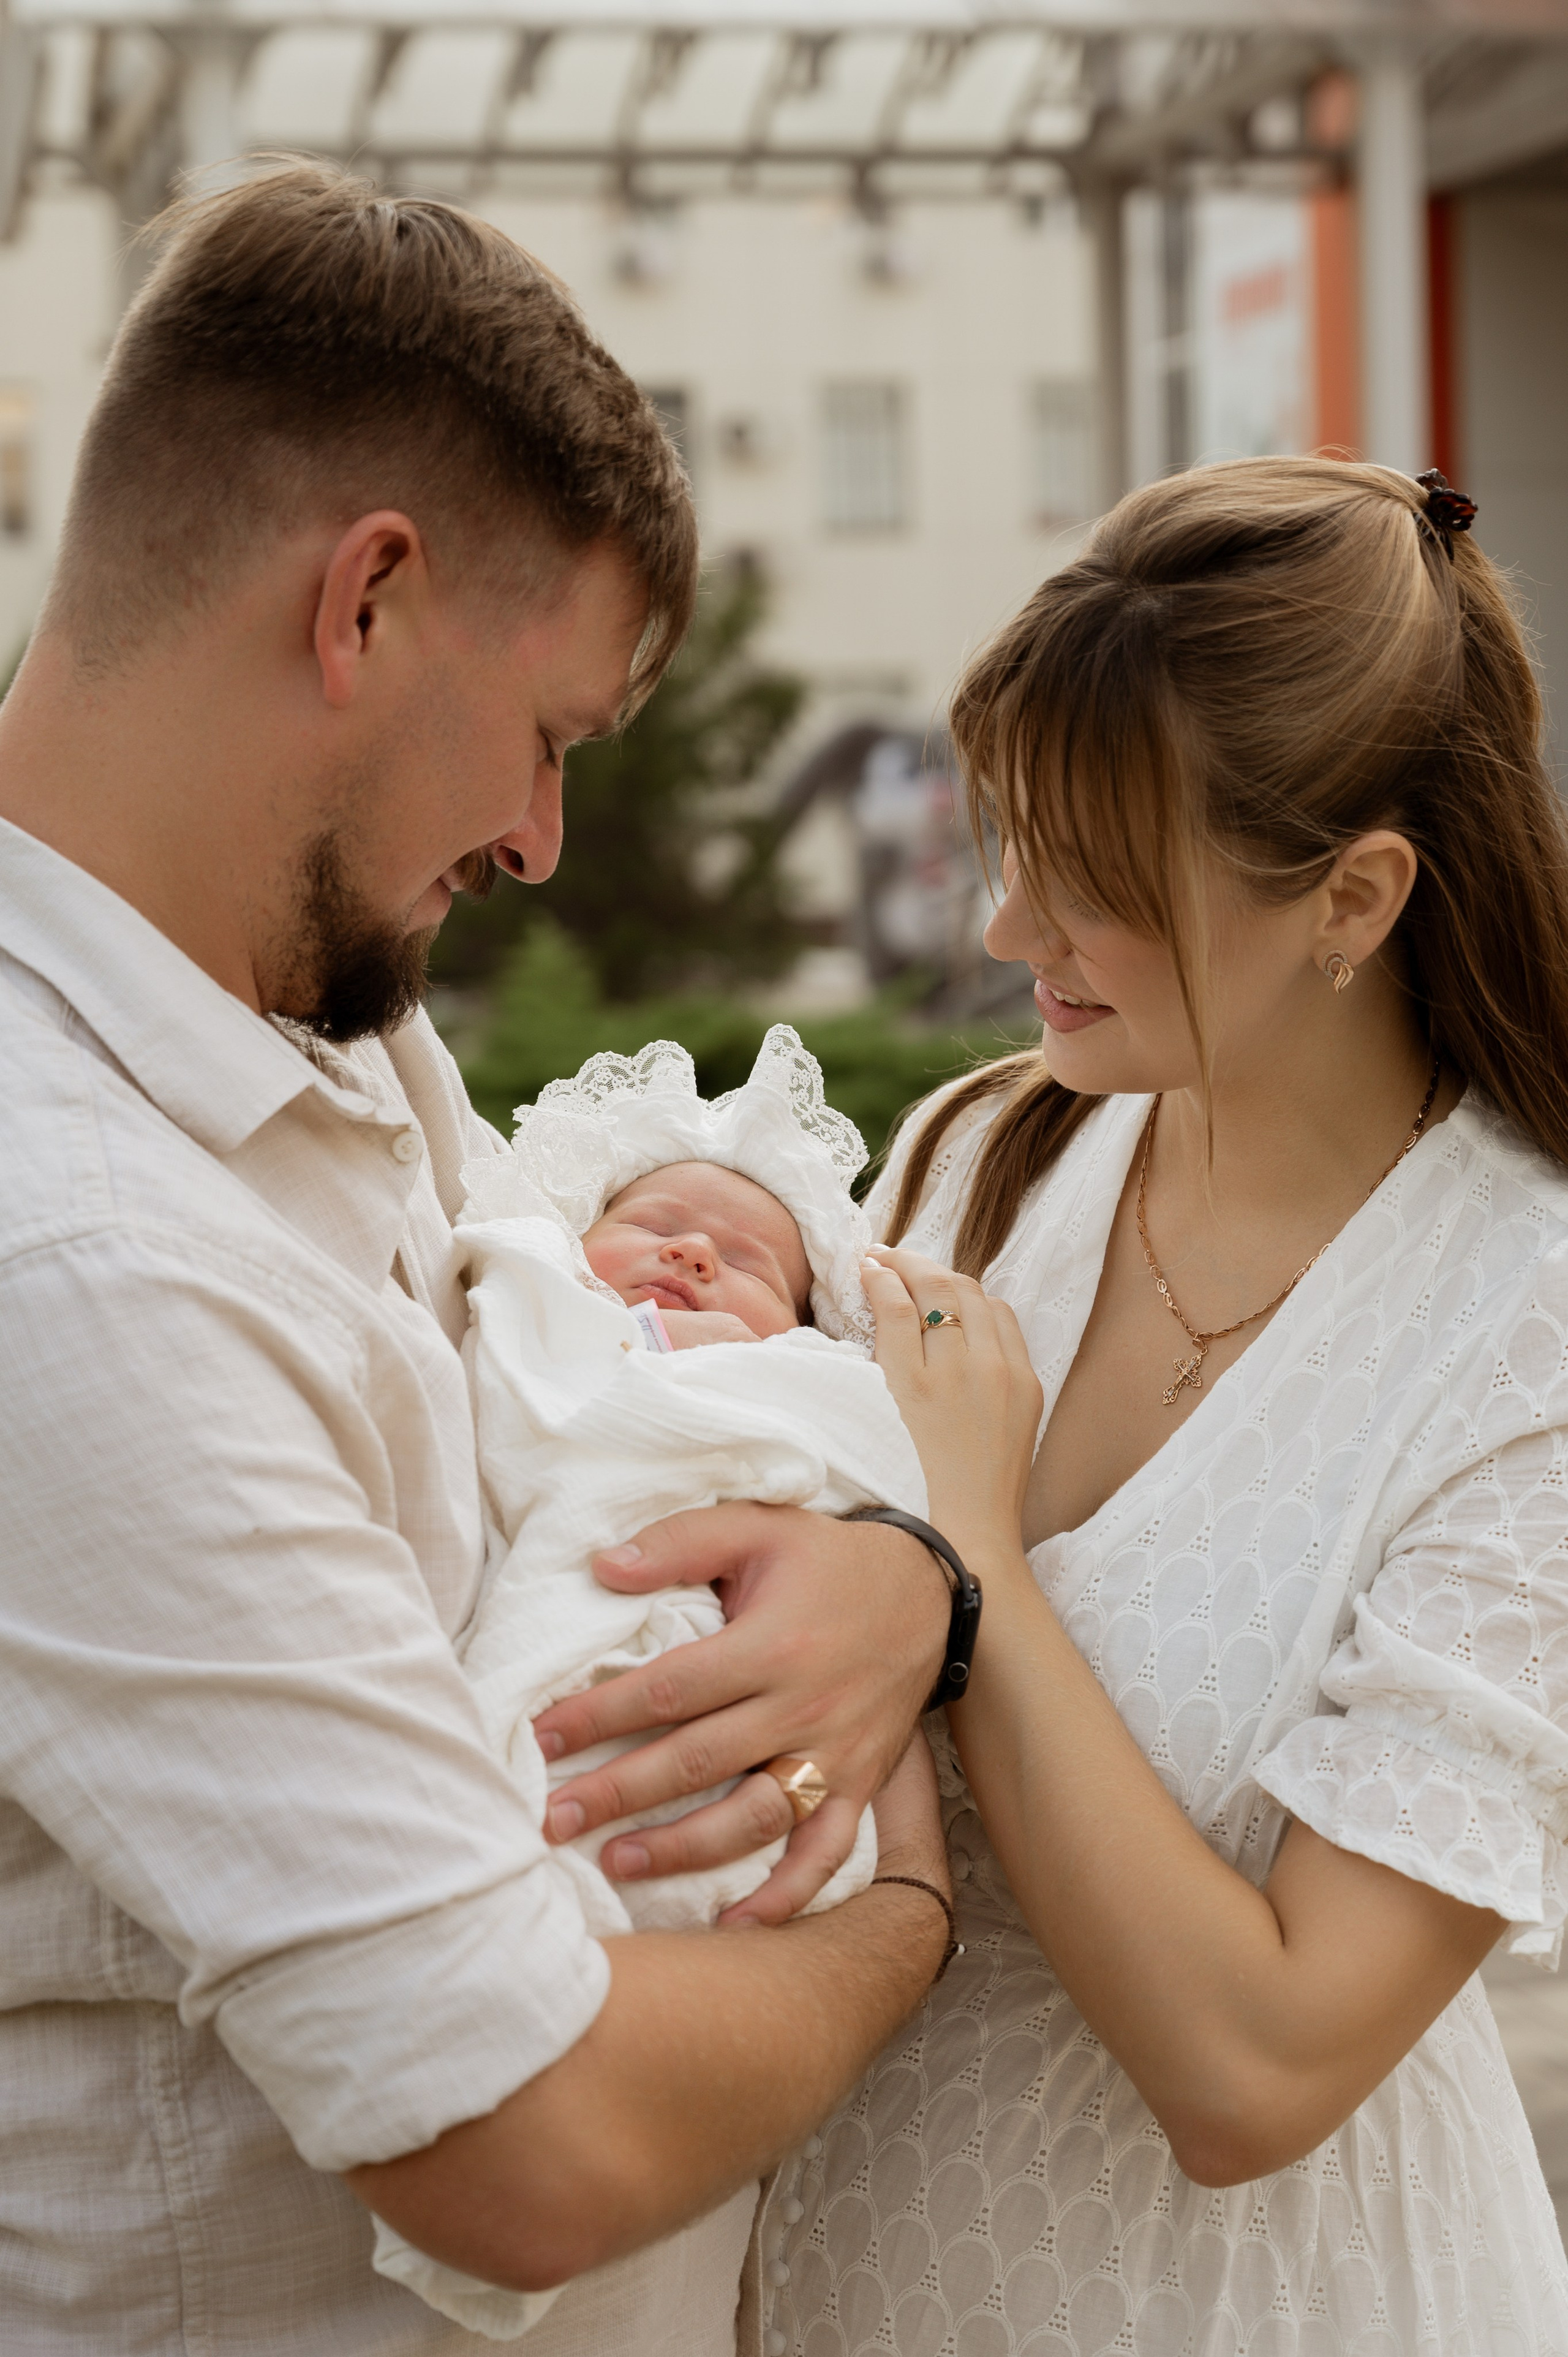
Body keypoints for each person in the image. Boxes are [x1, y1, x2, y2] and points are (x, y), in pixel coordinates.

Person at [0, 162, 960, 2355]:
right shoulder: (67, 1254)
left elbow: (612, 1418)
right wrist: (907, 1888)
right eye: (550, 737)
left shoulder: (325, 1029)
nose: (538, 838)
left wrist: (904, 1585)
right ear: (368, 602)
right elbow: (517, 2139)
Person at [538, 458, 1568, 2353]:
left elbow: (1259, 2069)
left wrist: (968, 1558)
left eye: (1094, 891)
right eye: (1006, 845)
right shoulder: (983, 1155)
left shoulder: (1528, 1329)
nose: (1014, 934)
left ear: (1354, 896)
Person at [377, 1026, 938, 2339]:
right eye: (657, 1226)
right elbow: (519, 1385)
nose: (693, 1256)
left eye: (747, 1262)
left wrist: (896, 1555)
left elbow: (876, 1473)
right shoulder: (533, 1301)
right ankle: (542, 2038)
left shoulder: (798, 1385)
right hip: (561, 1599)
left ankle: (612, 2005)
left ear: (805, 1325)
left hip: (723, 1651)